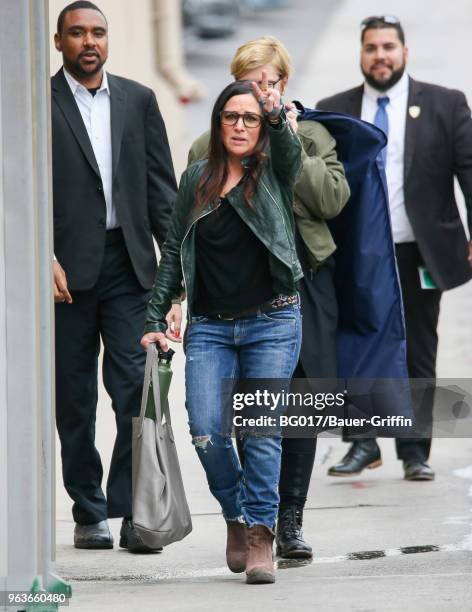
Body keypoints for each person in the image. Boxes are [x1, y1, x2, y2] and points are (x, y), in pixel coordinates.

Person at [187, 36, 350, 559]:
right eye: (252, 83)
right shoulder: (206, 146)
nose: (261, 94)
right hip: (234, 296)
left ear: (285, 84)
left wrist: (287, 138)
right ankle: (252, 517)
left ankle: (290, 519)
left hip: (303, 282)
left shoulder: (312, 134)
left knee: (296, 406)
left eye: (271, 83)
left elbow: (331, 199)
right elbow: (186, 229)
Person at [141, 77, 302, 584]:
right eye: (231, 117)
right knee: (207, 431)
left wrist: (276, 116)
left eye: (249, 118)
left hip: (273, 320)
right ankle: (236, 512)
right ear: (217, 123)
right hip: (209, 327)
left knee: (261, 432)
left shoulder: (274, 170)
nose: (239, 126)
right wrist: (154, 317)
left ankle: (260, 533)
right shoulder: (196, 179)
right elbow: (172, 250)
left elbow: (292, 155)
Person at [318, 15, 472, 481]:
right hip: (357, 253)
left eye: (388, 46)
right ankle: (363, 443)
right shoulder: (335, 109)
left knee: (417, 348)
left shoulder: (445, 104)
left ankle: (414, 450)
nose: (380, 55)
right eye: (371, 48)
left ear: (405, 52)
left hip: (418, 249)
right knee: (354, 344)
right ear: (360, 55)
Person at [52, 1, 178, 552]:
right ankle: (88, 509)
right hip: (63, 274)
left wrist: (175, 280)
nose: (89, 42)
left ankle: (128, 509)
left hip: (129, 267)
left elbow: (162, 193)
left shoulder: (138, 100)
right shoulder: (37, 103)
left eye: (98, 32)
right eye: (76, 33)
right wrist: (40, 256)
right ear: (59, 43)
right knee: (74, 398)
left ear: (108, 40)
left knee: (134, 390)